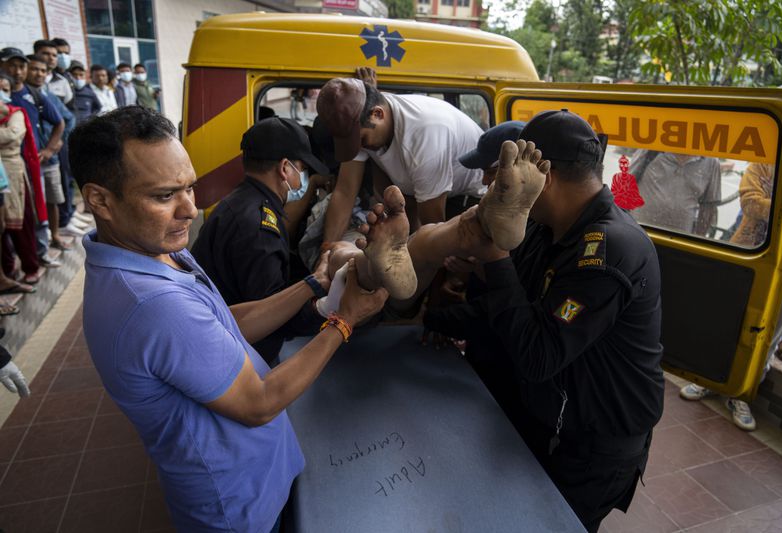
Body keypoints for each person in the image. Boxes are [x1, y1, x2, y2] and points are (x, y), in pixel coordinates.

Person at [70, 105, 389, 532]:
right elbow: (257, 403)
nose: (190, 208)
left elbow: (222, 321)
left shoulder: (150, 251)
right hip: (238, 507)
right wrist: (343, 322)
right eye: (164, 195)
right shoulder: (152, 304)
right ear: (100, 200)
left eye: (189, 187)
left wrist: (312, 285)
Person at [423, 110, 664, 532]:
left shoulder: (607, 251)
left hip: (596, 444)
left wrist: (493, 257)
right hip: (553, 418)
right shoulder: (545, 228)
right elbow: (510, 308)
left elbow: (538, 354)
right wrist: (435, 319)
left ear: (544, 179)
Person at [191, 118, 331, 367]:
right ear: (285, 168)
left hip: (224, 340)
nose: (304, 179)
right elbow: (271, 316)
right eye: (303, 169)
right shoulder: (259, 227)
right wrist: (327, 308)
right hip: (244, 357)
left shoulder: (239, 202)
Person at [679, 162, 782, 431]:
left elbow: (763, 205)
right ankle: (708, 379)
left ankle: (741, 395)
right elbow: (752, 204)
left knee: (769, 336)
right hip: (750, 255)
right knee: (726, 321)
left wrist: (777, 207)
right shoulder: (764, 166)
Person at [316, 74, 485, 248]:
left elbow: (433, 229)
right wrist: (328, 251)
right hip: (421, 193)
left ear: (378, 114)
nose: (359, 148)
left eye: (362, 141)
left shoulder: (425, 134)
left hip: (467, 199)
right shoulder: (361, 122)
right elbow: (345, 192)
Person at [3, 49, 64, 267]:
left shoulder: (34, 94)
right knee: (11, 215)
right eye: (12, 66)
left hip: (33, 164)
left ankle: (40, 251)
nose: (17, 71)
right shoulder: (5, 94)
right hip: (8, 167)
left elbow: (59, 122)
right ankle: (14, 261)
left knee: (39, 210)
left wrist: (48, 149)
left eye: (21, 66)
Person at [0, 67, 44, 286]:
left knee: (21, 223)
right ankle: (7, 270)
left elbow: (10, 135)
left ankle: (30, 266)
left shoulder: (16, 113)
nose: (1, 92)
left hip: (13, 173)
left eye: (4, 89)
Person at [25, 54, 73, 253]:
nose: (39, 74)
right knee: (33, 203)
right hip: (28, 160)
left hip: (48, 158)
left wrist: (53, 146)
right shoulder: (17, 94)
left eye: (43, 71)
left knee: (52, 199)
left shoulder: (44, 96)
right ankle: (37, 245)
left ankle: (54, 236)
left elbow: (64, 120)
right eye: (34, 69)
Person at [631, 150, 721, 237]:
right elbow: (625, 186)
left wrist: (697, 241)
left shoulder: (711, 161)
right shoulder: (651, 149)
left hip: (679, 241)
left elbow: (709, 208)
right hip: (639, 233)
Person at [33, 39, 73, 108]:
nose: (51, 58)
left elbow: (69, 108)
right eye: (46, 54)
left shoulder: (62, 81)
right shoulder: (27, 79)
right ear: (36, 54)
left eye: (54, 55)